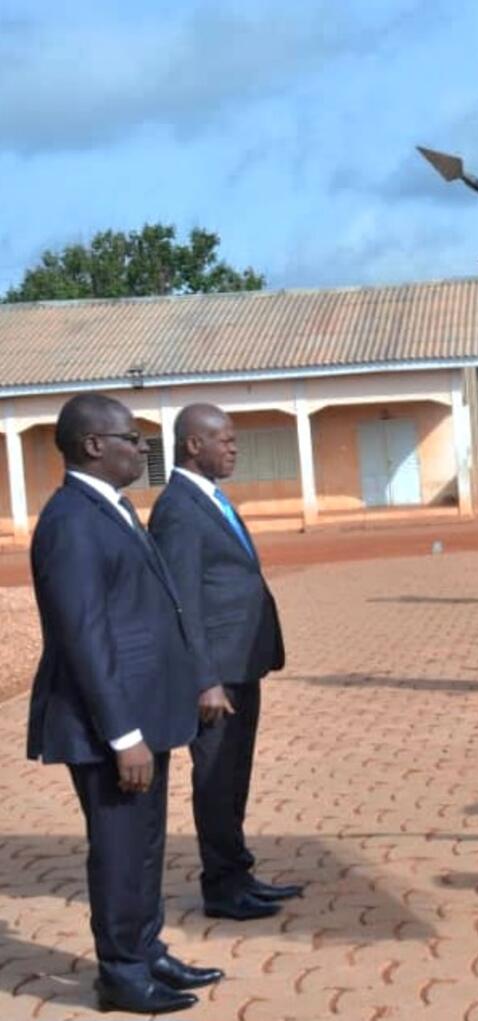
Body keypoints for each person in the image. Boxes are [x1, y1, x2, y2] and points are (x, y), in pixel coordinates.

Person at [27, 394, 223, 1015]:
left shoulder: (110, 509)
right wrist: (122, 736)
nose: (142, 449)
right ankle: (120, 974)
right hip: (110, 728)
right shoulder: (71, 522)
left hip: (144, 716)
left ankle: (145, 951)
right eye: (132, 439)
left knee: (143, 847)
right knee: (117, 852)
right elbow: (84, 637)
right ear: (93, 445)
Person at [149, 404, 299, 922]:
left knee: (234, 775)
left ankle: (238, 873)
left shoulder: (207, 499)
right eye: (225, 440)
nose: (234, 447)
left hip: (241, 664)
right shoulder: (178, 509)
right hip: (215, 676)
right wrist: (204, 679)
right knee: (214, 778)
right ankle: (220, 887)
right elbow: (183, 601)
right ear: (194, 444)